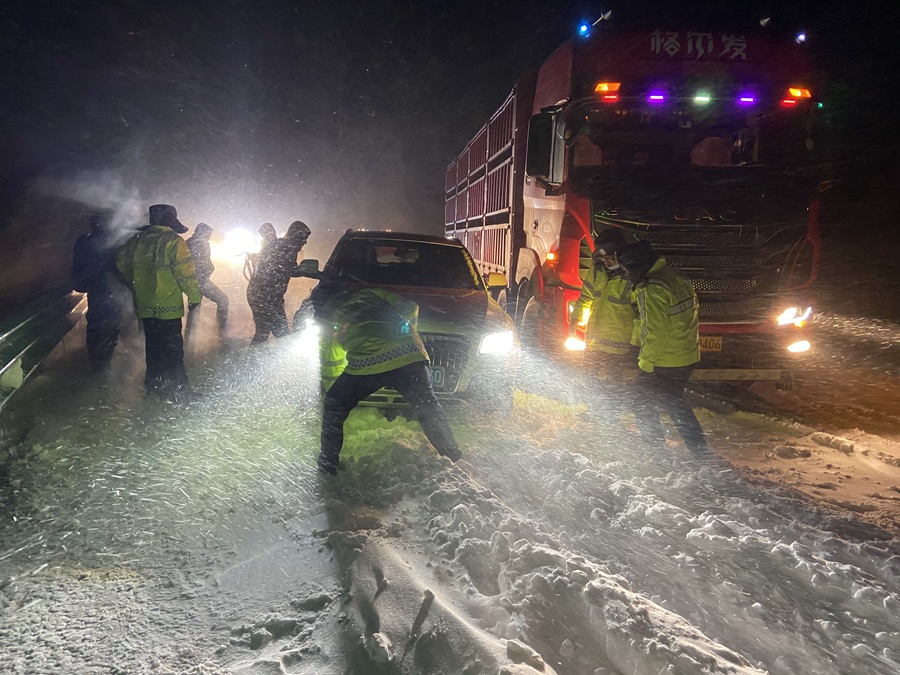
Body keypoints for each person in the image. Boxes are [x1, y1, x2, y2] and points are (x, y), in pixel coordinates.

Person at [315, 287, 461, 475]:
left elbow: (332, 361)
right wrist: (404, 335)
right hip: (410, 356)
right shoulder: (371, 293)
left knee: (334, 405)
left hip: (368, 363)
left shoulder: (328, 313)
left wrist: (332, 391)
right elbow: (411, 307)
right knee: (428, 407)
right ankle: (453, 458)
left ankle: (328, 465)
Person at [616, 241, 710, 456]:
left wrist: (645, 363)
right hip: (685, 353)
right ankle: (698, 449)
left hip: (665, 359)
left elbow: (654, 331)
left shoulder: (652, 288)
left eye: (626, 269)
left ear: (636, 266)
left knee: (642, 401)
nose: (625, 274)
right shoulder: (676, 277)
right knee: (673, 402)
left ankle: (656, 448)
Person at [117, 204, 201, 401]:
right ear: (170, 222)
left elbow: (121, 261)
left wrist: (136, 282)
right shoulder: (174, 241)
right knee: (173, 350)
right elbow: (185, 274)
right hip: (168, 308)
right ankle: (180, 390)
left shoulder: (138, 240)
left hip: (145, 306)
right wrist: (194, 296)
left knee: (153, 349)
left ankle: (153, 387)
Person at [72, 213, 123, 371]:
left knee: (95, 324)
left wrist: (81, 284)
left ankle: (96, 362)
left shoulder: (83, 241)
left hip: (94, 289)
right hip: (113, 289)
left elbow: (77, 264)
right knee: (111, 324)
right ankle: (105, 361)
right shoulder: (115, 240)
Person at [246, 220, 310, 345]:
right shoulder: (287, 247)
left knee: (266, 332)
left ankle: (254, 355)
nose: (304, 242)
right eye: (304, 238)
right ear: (296, 235)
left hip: (261, 295)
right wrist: (311, 272)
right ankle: (257, 356)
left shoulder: (281, 245)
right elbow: (287, 269)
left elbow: (284, 268)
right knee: (277, 333)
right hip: (266, 297)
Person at [186, 222, 229, 327]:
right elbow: (201, 263)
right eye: (209, 233)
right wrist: (209, 269)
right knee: (223, 300)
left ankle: (190, 334)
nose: (210, 236)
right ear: (204, 233)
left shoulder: (190, 241)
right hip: (200, 280)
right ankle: (222, 330)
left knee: (195, 307)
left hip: (191, 280)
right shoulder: (200, 243)